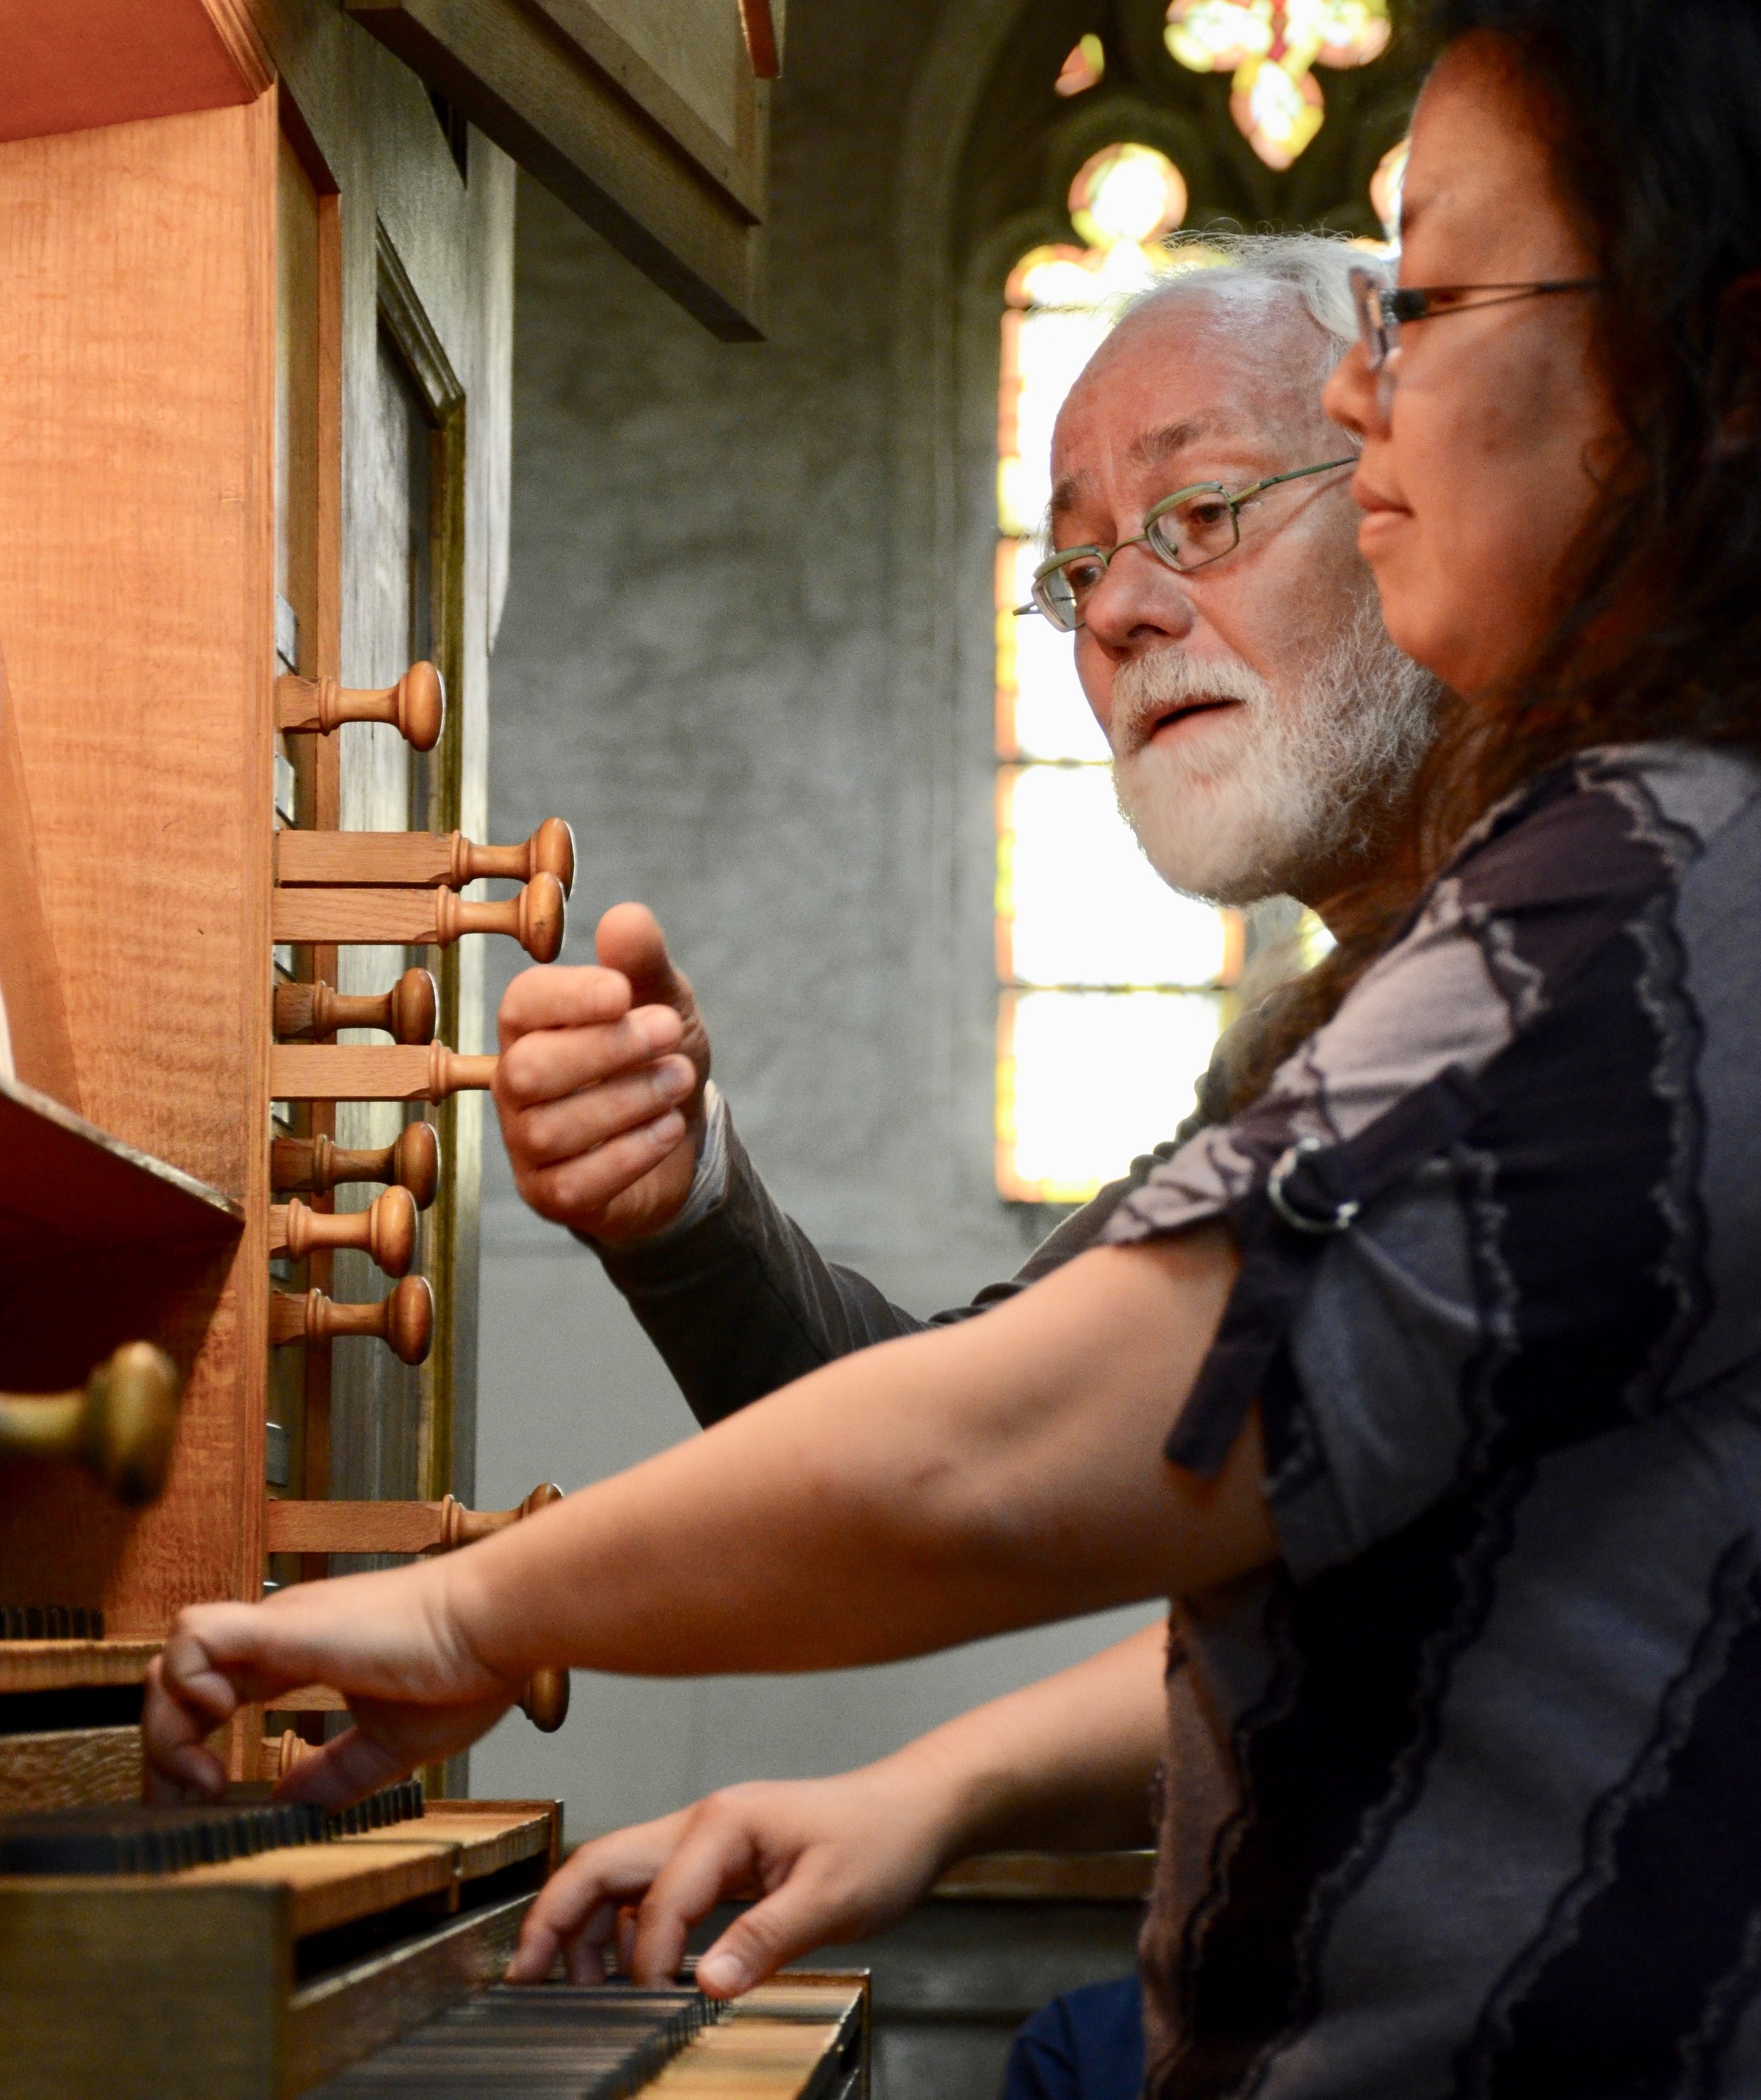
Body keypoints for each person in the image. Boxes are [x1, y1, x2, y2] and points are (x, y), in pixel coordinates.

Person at [147, 2, 1761, 2087]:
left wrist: (479, 1606)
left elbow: (1017, 1447)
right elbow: (1143, 1463)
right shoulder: (1454, 959)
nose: (1378, 404)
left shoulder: (1644, 897)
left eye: (1427, 304)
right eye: (1074, 566)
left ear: (1708, 371)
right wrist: (928, 1778)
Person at [488, 238, 1437, 1427]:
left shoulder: (1591, 909)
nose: (1119, 612)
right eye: (1079, 567)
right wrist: (688, 1201)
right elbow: (954, 1430)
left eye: (1205, 511)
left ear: (1418, 494)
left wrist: (451, 1622)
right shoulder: (1319, 1039)